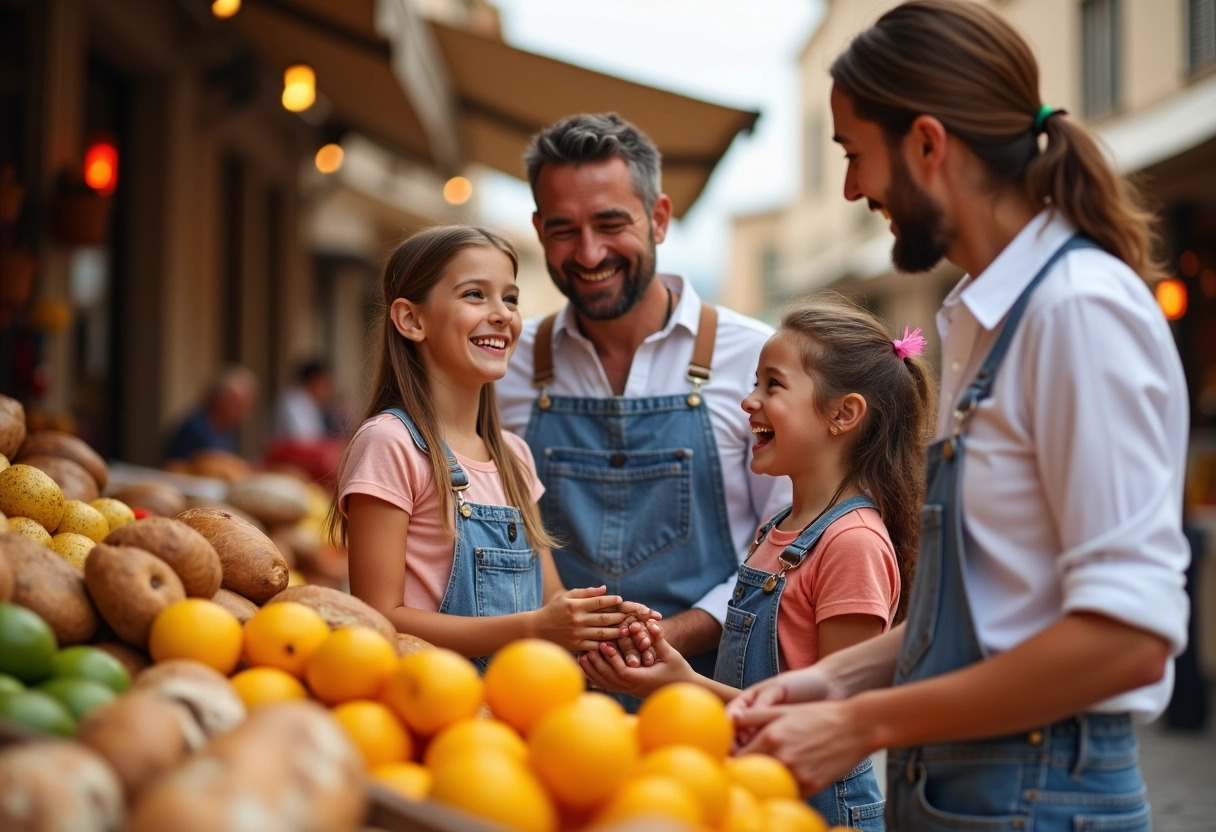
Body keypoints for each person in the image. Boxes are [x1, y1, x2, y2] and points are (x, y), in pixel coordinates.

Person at [727, 3, 1192, 830]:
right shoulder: (985, 319)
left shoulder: (1077, 311)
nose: (850, 188)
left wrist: (860, 722)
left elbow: (1129, 636)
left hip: (1044, 797)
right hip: (967, 794)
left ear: (928, 145)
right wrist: (833, 681)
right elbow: (996, 615)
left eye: (854, 155)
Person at [580, 298, 935, 829]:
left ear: (844, 414)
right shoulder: (777, 530)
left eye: (773, 385)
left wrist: (677, 684)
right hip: (750, 796)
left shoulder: (853, 544)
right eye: (754, 383)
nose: (749, 401)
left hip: (815, 810)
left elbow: (828, 721)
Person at [496, 112, 792, 690]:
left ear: (659, 218)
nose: (588, 253)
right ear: (537, 231)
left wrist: (667, 639)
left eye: (611, 223)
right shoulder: (503, 365)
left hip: (701, 699)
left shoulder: (756, 359)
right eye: (563, 230)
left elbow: (784, 550)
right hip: (539, 703)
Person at [328, 225, 658, 668]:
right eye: (474, 295)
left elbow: (549, 596)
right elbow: (379, 618)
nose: (502, 313)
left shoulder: (514, 456)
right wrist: (534, 628)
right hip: (431, 708)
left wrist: (598, 621)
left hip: (513, 709)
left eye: (511, 298)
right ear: (412, 320)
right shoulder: (390, 444)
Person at [164, 364, 257, 463]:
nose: (244, 410)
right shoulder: (195, 427)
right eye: (238, 403)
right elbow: (174, 466)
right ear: (220, 399)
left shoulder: (228, 429)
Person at [272, 359, 339, 442]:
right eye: (325, 384)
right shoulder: (294, 401)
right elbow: (304, 439)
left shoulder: (310, 401)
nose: (328, 389)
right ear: (314, 381)